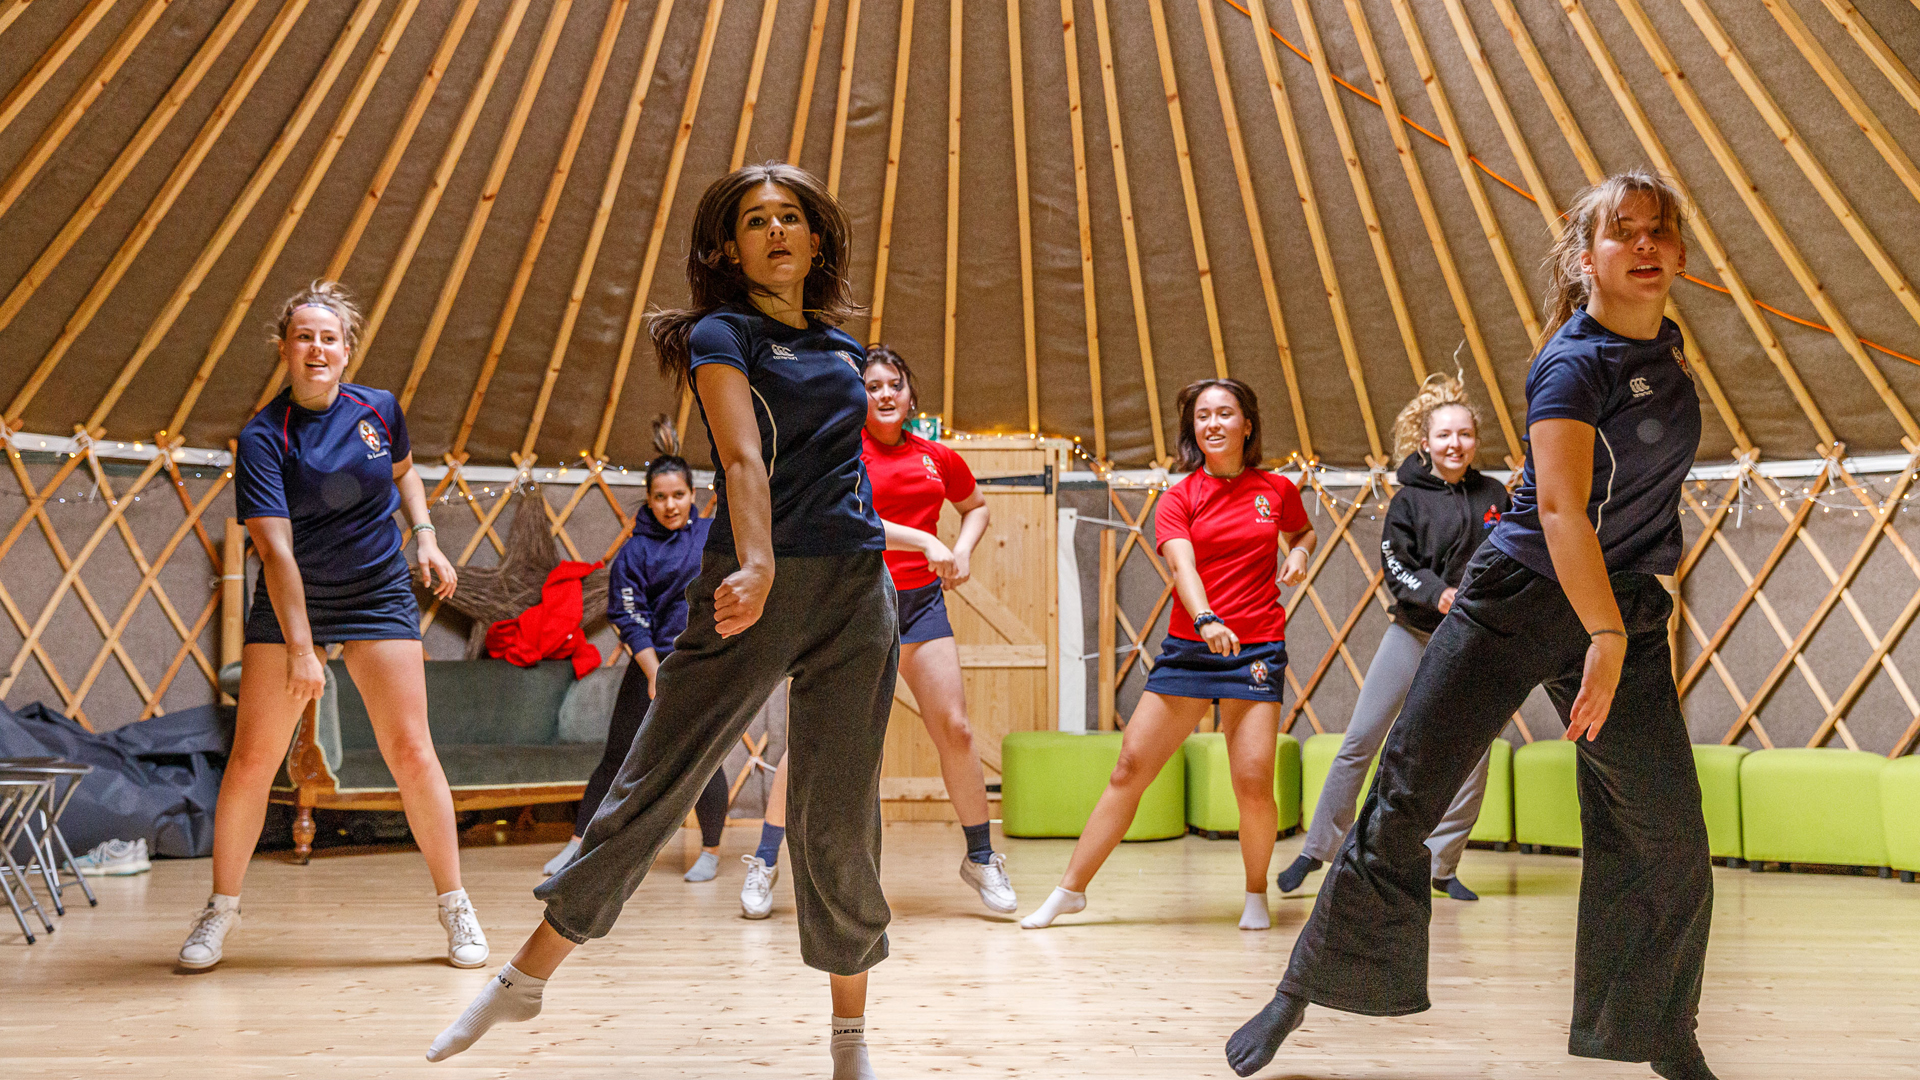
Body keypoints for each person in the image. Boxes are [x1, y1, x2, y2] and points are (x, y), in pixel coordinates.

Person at [1227, 171, 1719, 1080]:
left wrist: (1629, 614)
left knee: (1668, 831)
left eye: (1660, 230)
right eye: (1624, 233)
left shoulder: (1668, 349)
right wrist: (1604, 637)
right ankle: (1296, 993)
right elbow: (1564, 513)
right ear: (1585, 258)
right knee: (1408, 792)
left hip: (1622, 607)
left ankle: (1661, 1034)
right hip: (1523, 596)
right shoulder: (1571, 364)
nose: (1646, 246)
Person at [428, 163, 897, 1080]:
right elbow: (739, 455)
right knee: (656, 780)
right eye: (755, 221)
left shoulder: (845, 352)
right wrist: (757, 564)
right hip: (750, 582)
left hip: (855, 587)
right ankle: (524, 980)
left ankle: (850, 1042)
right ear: (728, 247)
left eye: (791, 218)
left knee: (839, 816)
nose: (775, 232)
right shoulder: (723, 334)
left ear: (816, 239)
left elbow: (844, 471)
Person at [182, 282, 484, 971]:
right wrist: (299, 648)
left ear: (346, 350)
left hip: (378, 591)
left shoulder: (378, 408)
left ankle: (456, 907)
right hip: (297, 597)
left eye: (328, 337)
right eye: (303, 336)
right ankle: (218, 910)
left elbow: (405, 473)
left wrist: (427, 537)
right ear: (284, 348)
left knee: (412, 752)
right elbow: (277, 552)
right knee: (255, 760)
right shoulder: (264, 436)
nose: (316, 347)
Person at [1021, 378, 1315, 932]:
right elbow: (1183, 568)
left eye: (1225, 414)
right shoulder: (1180, 496)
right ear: (1193, 429)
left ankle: (1255, 893)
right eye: (1202, 416)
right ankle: (1070, 890)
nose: (1213, 424)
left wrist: (1298, 554)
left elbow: (1303, 532)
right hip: (1192, 645)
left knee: (1252, 779)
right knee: (1129, 767)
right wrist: (1206, 619)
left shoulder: (1276, 490)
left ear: (1246, 424)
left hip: (1254, 646)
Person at [739, 346, 1014, 920]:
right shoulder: (842, 456)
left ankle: (982, 858)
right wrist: (927, 540)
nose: (885, 394)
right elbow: (856, 523)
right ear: (857, 396)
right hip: (853, 604)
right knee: (810, 738)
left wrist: (959, 549)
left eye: (895, 384)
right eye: (873, 385)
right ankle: (765, 860)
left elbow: (977, 506)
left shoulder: (938, 457)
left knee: (956, 729)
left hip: (920, 606)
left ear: (911, 396)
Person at [1275, 373, 1511, 903]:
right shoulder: (1407, 501)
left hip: (1472, 640)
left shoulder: (1495, 495)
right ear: (1424, 442)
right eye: (1445, 435)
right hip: (1413, 631)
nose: (1456, 444)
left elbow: (1504, 555)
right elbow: (1394, 565)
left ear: (1475, 440)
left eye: (1465, 434)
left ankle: (1443, 868)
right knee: (1360, 741)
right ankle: (1317, 849)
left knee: (1473, 754)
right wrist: (1439, 594)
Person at [543, 417, 732, 884]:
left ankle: (709, 850)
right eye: (660, 496)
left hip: (700, 663)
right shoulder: (634, 551)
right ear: (648, 500)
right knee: (619, 755)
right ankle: (577, 844)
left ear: (694, 495)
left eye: (678, 495)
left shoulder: (712, 536)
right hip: (650, 662)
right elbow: (629, 616)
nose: (670, 505)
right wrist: (651, 672)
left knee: (705, 757)